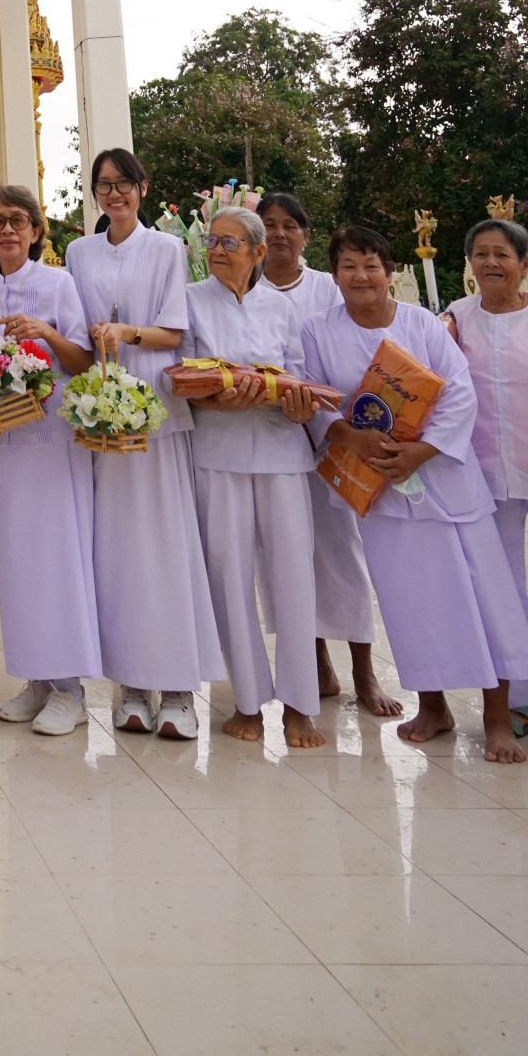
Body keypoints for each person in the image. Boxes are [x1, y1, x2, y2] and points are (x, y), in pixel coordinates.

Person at [300, 224, 528, 764]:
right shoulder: (317, 331)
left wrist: (422, 451)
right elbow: (317, 399)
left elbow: (459, 392)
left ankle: (498, 719)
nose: (361, 276)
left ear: (390, 272)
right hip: (379, 492)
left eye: (371, 265)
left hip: (446, 483)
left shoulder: (423, 326)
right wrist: (347, 435)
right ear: (334, 274)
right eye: (348, 265)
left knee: (482, 601)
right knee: (414, 604)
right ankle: (433, 706)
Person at [66, 148, 223, 740]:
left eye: (123, 184)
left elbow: (175, 330)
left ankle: (179, 687)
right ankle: (130, 684)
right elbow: (77, 331)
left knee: (165, 547)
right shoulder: (79, 253)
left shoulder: (166, 248)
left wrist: (127, 332)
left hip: (154, 411)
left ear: (142, 187)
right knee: (117, 552)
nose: (114, 195)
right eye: (104, 186)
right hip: (99, 414)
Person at [185, 207, 327, 749]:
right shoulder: (191, 300)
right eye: (212, 241)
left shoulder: (282, 308)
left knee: (294, 575)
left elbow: (298, 375)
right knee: (228, 575)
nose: (217, 250)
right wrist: (218, 398)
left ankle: (299, 706)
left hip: (283, 452)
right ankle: (248, 701)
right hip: (217, 454)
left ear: (258, 252)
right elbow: (182, 375)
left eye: (230, 242)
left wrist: (296, 404)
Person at [257, 191, 396, 717]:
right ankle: (315, 663)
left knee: (343, 555)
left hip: (340, 438)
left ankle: (364, 668)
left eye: (289, 225)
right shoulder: (244, 287)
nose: (278, 235)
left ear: (306, 235)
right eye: (268, 225)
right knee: (286, 556)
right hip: (272, 437)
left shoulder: (327, 287)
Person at [0, 183, 97, 736]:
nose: (8, 231)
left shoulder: (58, 281)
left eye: (19, 220)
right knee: (15, 560)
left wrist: (45, 332)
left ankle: (69, 686)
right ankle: (36, 678)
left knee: (55, 556)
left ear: (37, 230)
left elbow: (83, 356)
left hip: (50, 441)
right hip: (3, 439)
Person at [445, 216, 528, 735]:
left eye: (502, 255)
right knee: (503, 588)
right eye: (481, 254)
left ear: (525, 265)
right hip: (485, 473)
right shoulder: (454, 318)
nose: (491, 263)